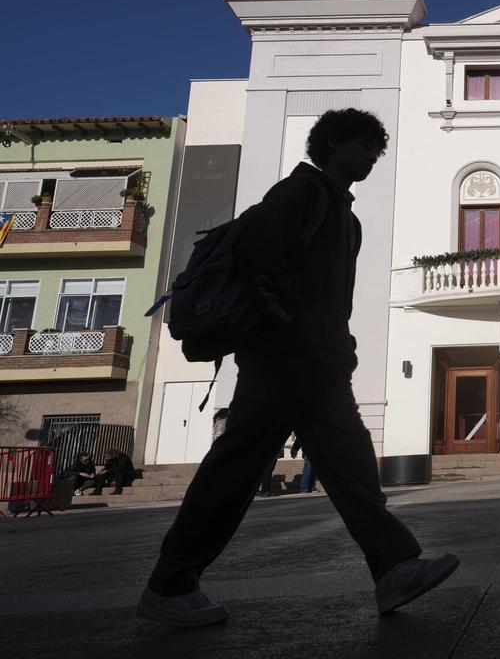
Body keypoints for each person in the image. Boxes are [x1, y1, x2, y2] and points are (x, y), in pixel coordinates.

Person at [138, 109, 458, 629]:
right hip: (281, 360)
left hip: (318, 365)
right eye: (363, 146)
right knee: (236, 471)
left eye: (377, 150)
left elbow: (332, 297)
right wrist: (294, 324)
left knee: (352, 466)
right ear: (332, 144)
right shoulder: (300, 194)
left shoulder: (343, 216)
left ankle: (394, 568)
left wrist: (338, 341)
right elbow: (259, 259)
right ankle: (170, 584)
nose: (373, 158)